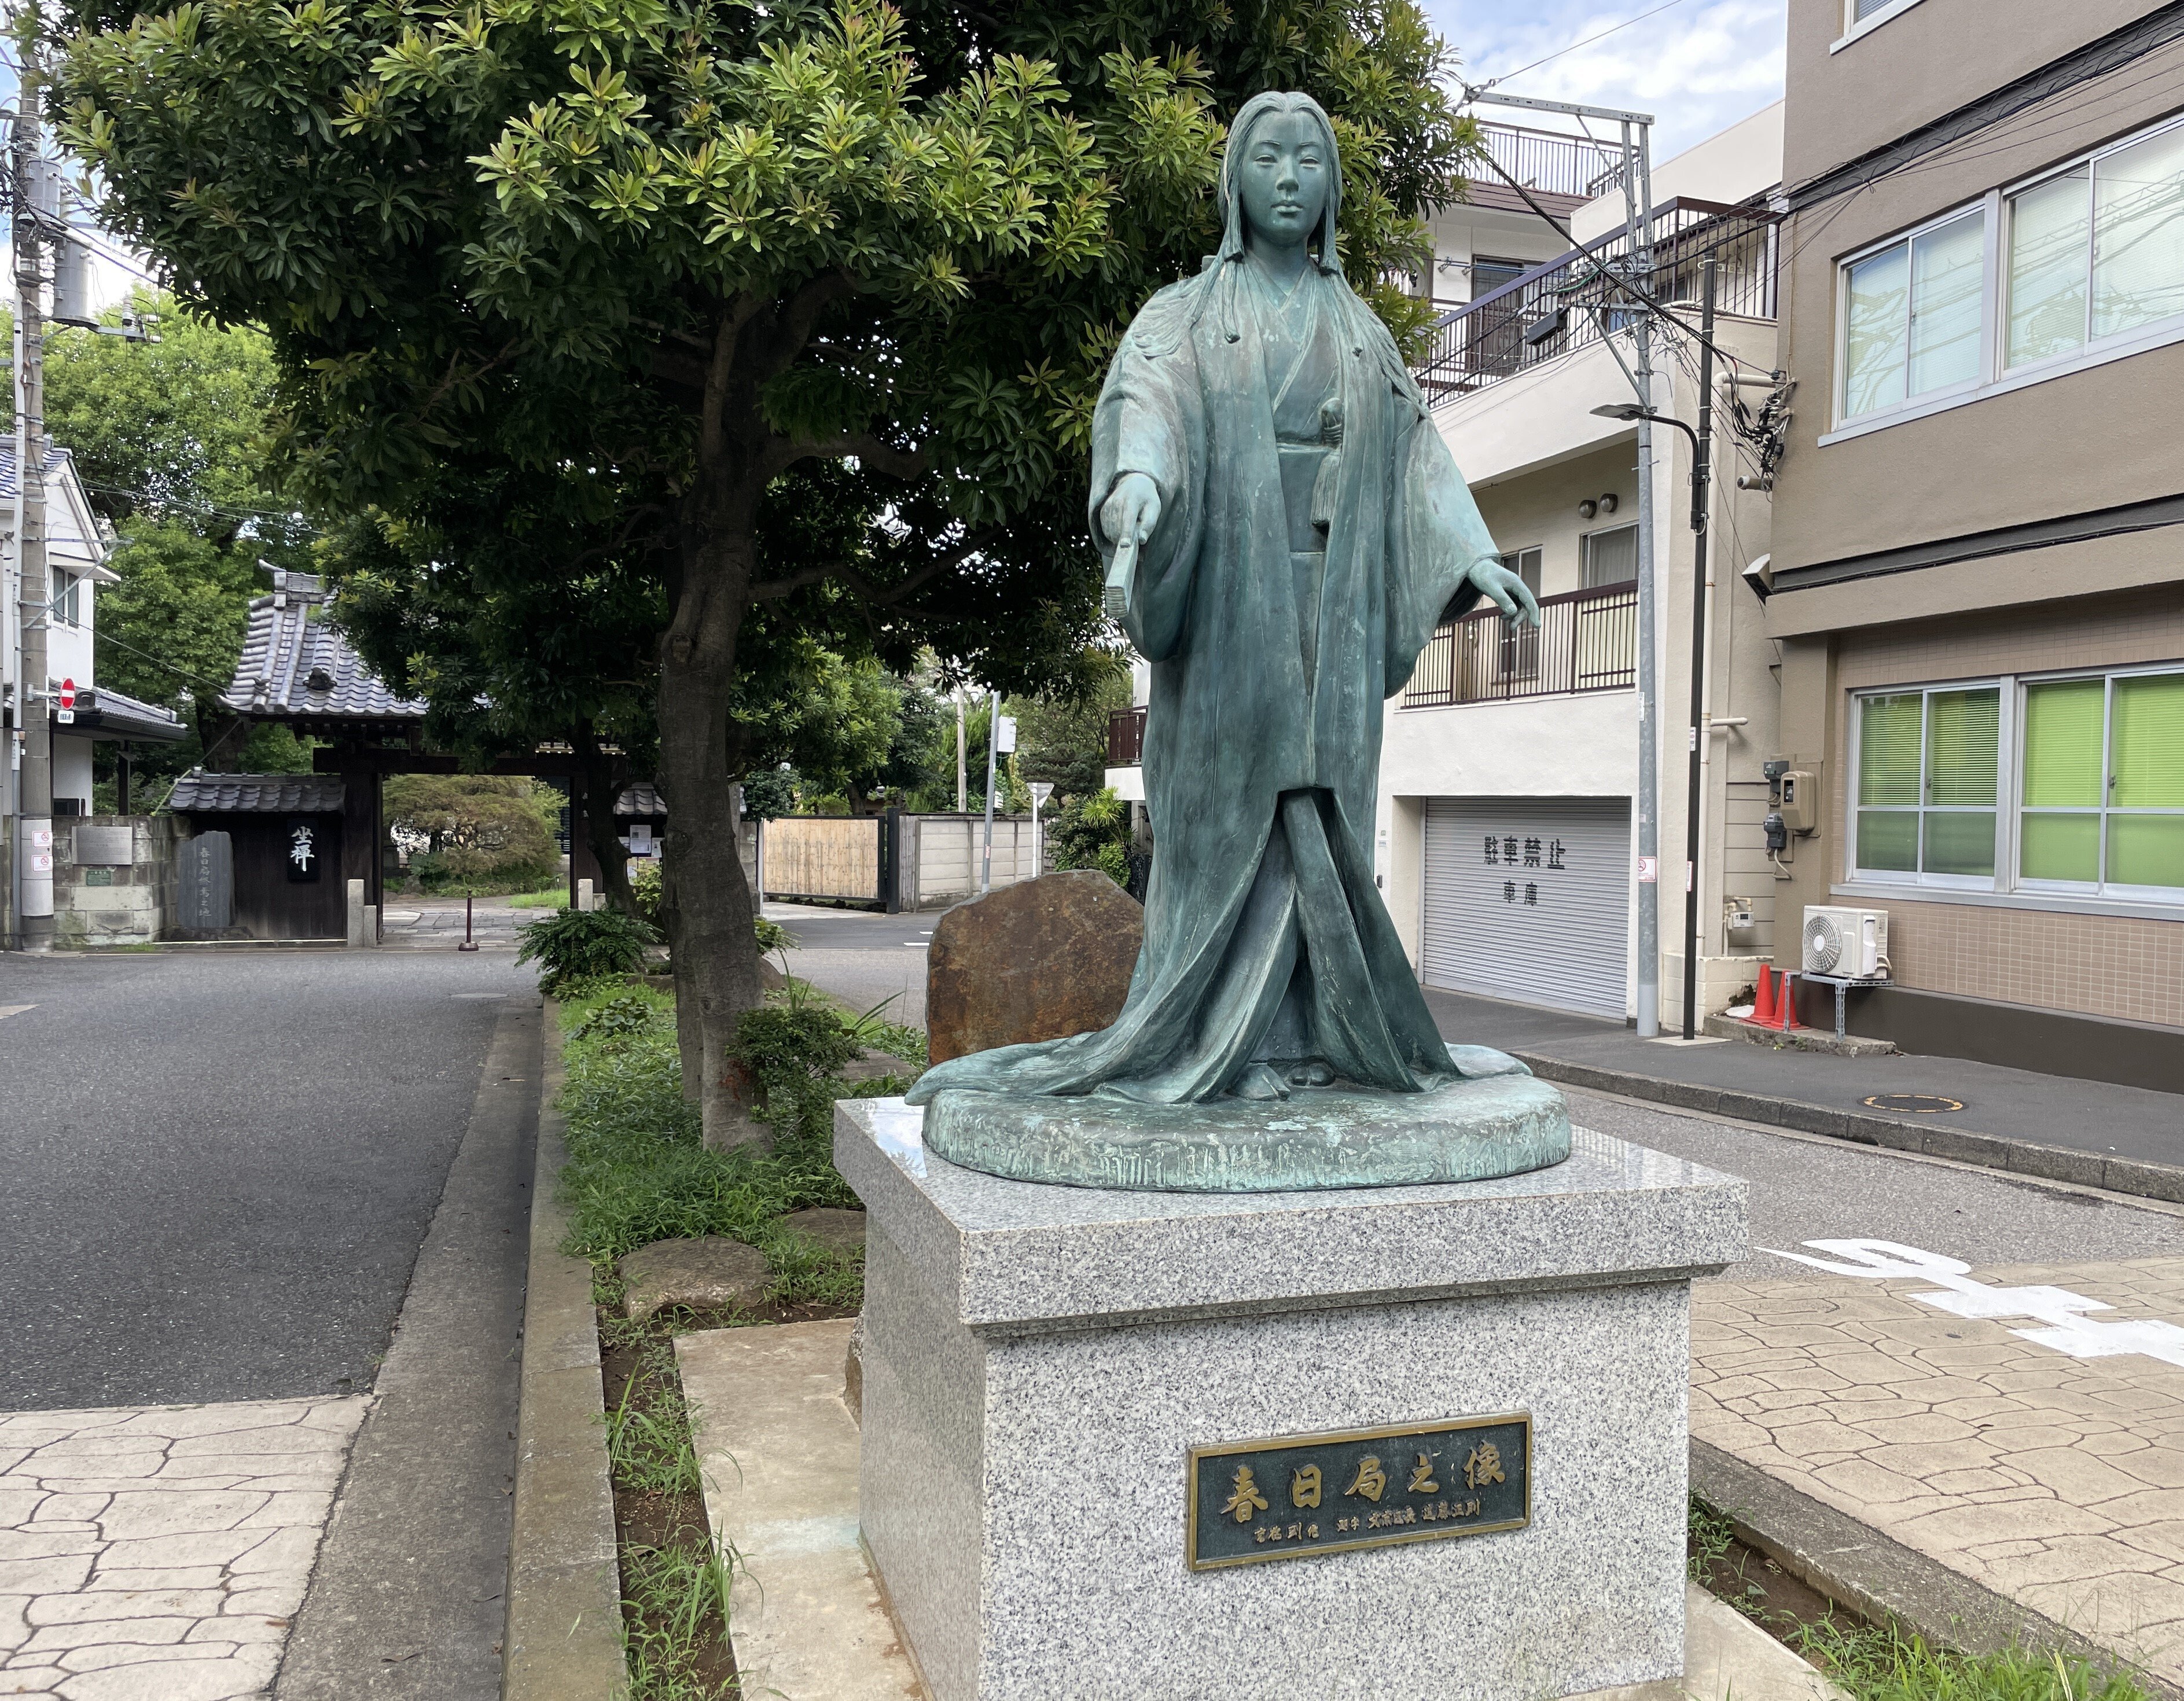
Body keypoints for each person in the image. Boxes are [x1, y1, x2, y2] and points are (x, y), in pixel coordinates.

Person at [909, 90, 1538, 1108]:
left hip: (1332, 615)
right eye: (1267, 161)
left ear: (1331, 185)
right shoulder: (1183, 316)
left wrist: (1469, 555)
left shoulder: (1361, 328)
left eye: (1307, 163)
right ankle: (1211, 1049)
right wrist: (1137, 489)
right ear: (1233, 183)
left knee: (1326, 829)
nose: (1288, 181)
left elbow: (1418, 451)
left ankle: (1320, 1043)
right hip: (1226, 614)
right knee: (1218, 839)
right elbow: (1142, 409)